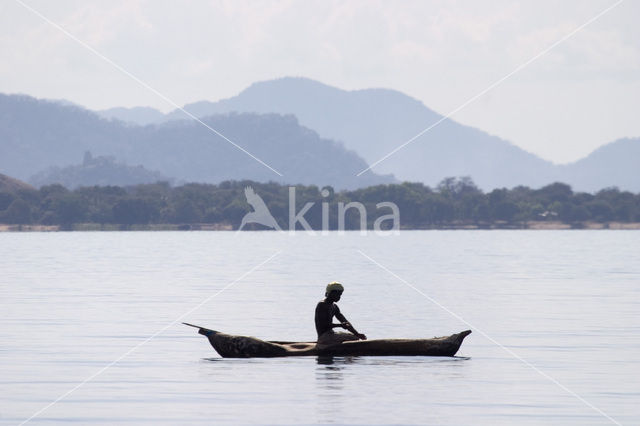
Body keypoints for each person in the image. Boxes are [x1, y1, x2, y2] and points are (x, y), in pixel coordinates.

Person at [315, 282, 367, 349]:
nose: (339, 297)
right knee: (353, 339)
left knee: (355, 337)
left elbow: (345, 321)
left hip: (331, 334)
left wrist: (357, 333)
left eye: (340, 295)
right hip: (324, 337)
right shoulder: (322, 305)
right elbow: (324, 325)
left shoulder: (334, 306)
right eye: (337, 294)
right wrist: (340, 325)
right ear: (331, 293)